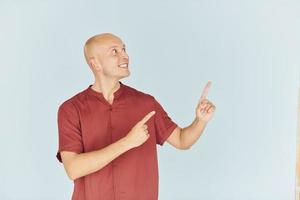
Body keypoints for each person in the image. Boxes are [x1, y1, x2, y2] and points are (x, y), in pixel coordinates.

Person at [56, 33, 216, 200]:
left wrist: (200, 121)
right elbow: (73, 168)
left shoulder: (146, 103)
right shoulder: (71, 109)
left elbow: (182, 140)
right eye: (114, 51)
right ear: (95, 63)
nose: (125, 55)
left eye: (124, 49)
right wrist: (128, 142)